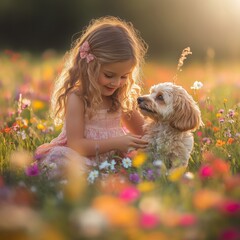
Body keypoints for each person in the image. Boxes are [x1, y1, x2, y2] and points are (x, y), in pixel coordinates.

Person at [35, 16, 148, 179]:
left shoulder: (121, 98)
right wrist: (117, 142)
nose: (116, 83)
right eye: (109, 75)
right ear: (90, 66)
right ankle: (98, 178)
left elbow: (144, 132)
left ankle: (105, 177)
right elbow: (76, 145)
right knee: (59, 162)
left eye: (124, 76)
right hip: (79, 159)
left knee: (140, 168)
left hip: (111, 162)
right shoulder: (78, 97)